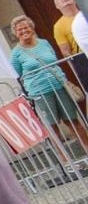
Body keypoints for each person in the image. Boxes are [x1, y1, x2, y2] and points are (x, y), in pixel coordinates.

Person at [9, 15, 88, 152]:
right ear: (15, 33)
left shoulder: (44, 43)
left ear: (32, 28)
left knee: (72, 120)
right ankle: (64, 160)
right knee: (52, 126)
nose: (24, 31)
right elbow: (19, 74)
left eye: (26, 27)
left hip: (59, 86)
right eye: (19, 29)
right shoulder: (16, 54)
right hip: (40, 92)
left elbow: (54, 61)